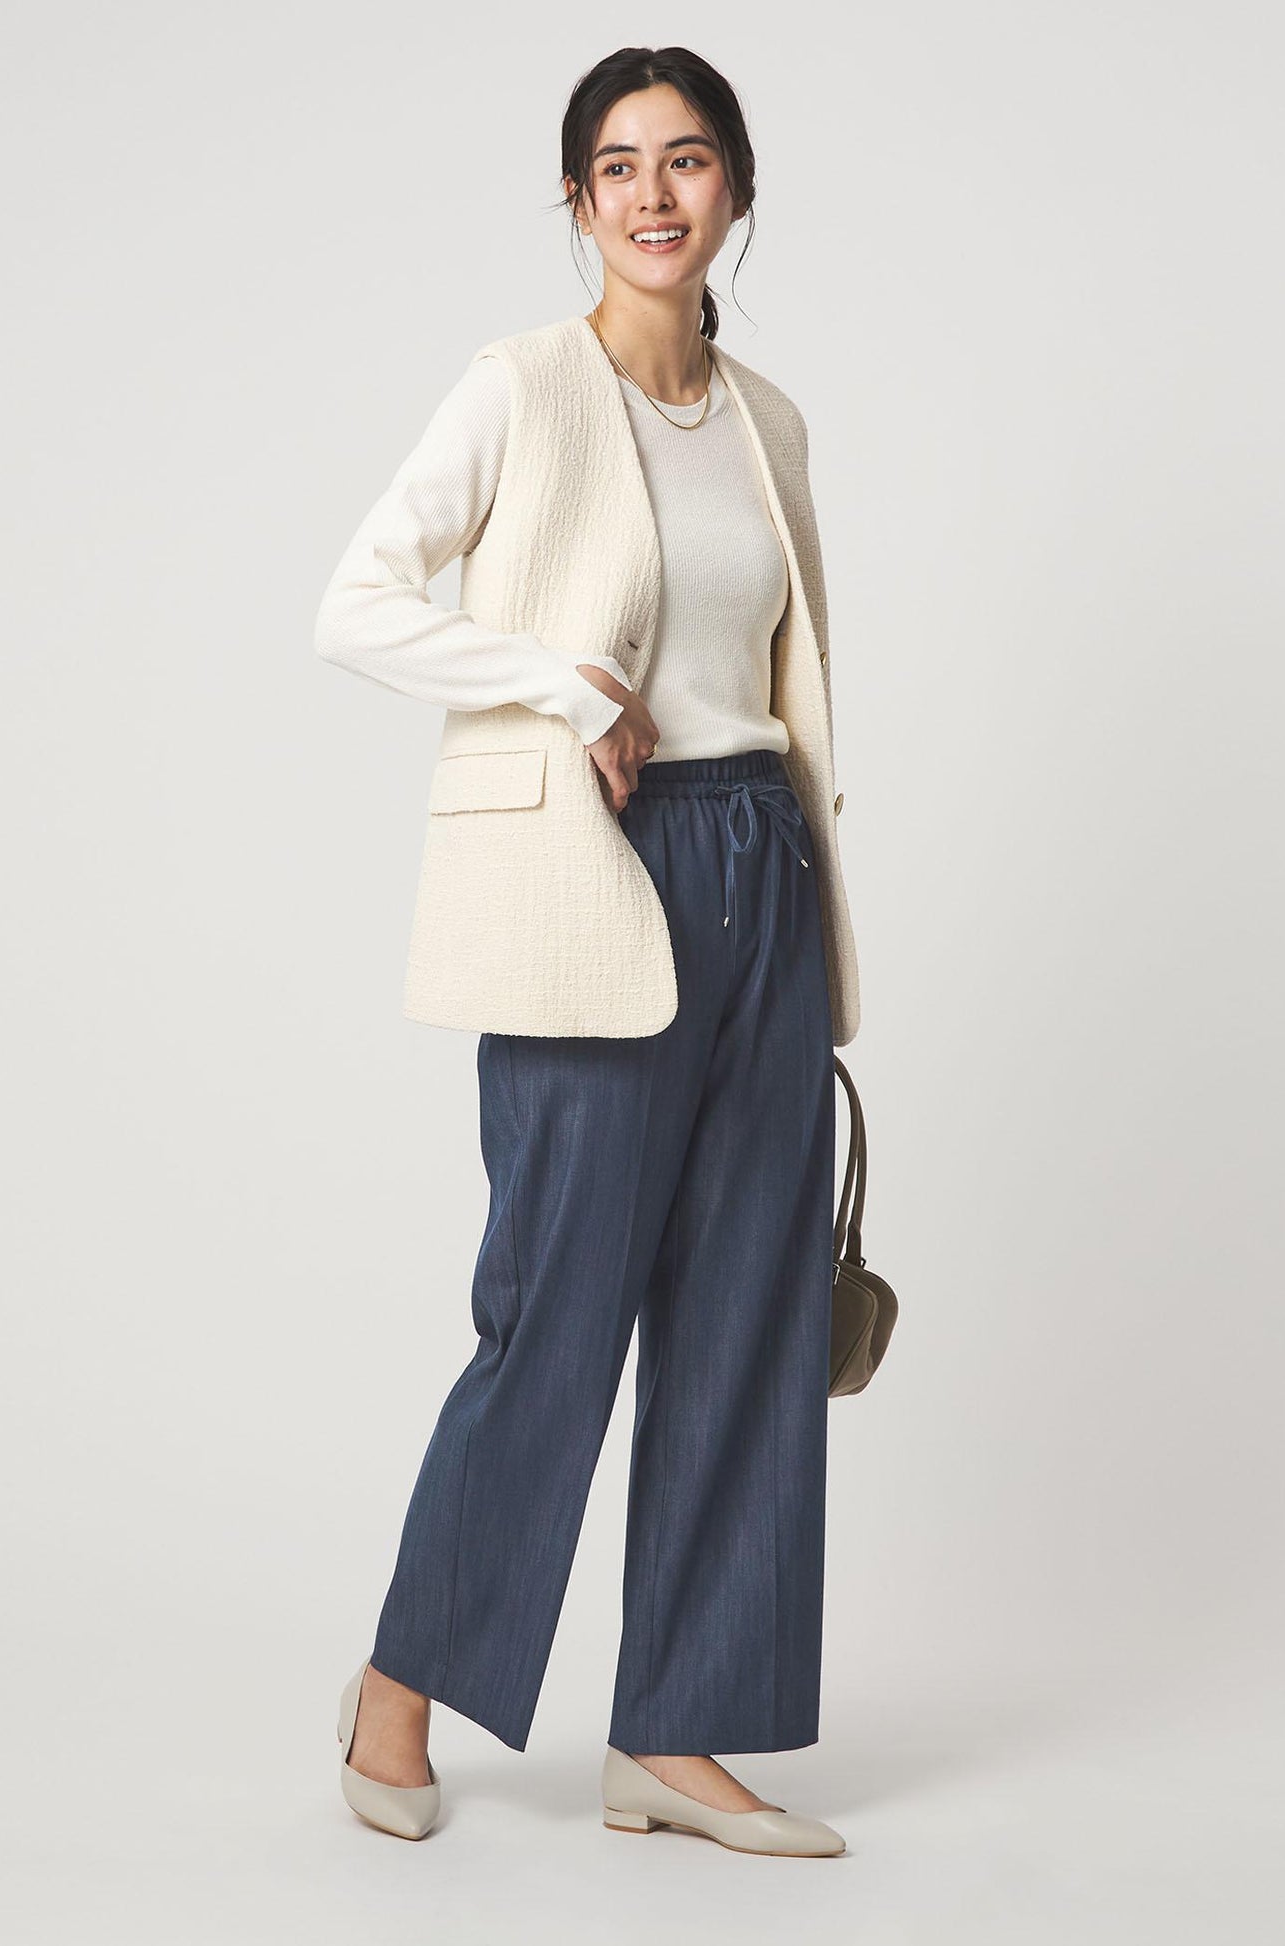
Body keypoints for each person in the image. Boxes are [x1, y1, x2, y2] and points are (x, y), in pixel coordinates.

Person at [313, 45, 863, 1856]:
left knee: (748, 1309)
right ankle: (399, 1683)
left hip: (760, 855)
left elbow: (771, 672)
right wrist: (555, 683)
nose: (651, 194)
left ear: (734, 192)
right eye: (616, 166)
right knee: (553, 1305)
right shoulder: (519, 390)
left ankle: (676, 1732)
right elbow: (355, 603)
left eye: (684, 160)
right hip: (593, 864)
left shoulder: (768, 422)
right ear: (574, 202)